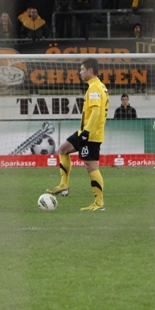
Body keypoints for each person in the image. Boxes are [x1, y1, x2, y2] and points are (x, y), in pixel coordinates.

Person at [46, 58, 109, 211]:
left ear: (90, 70)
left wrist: (87, 132)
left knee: (92, 166)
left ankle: (99, 203)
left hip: (91, 134)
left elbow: (96, 112)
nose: (80, 72)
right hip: (86, 131)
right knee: (63, 149)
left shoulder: (95, 88)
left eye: (82, 69)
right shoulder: (99, 86)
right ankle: (63, 186)